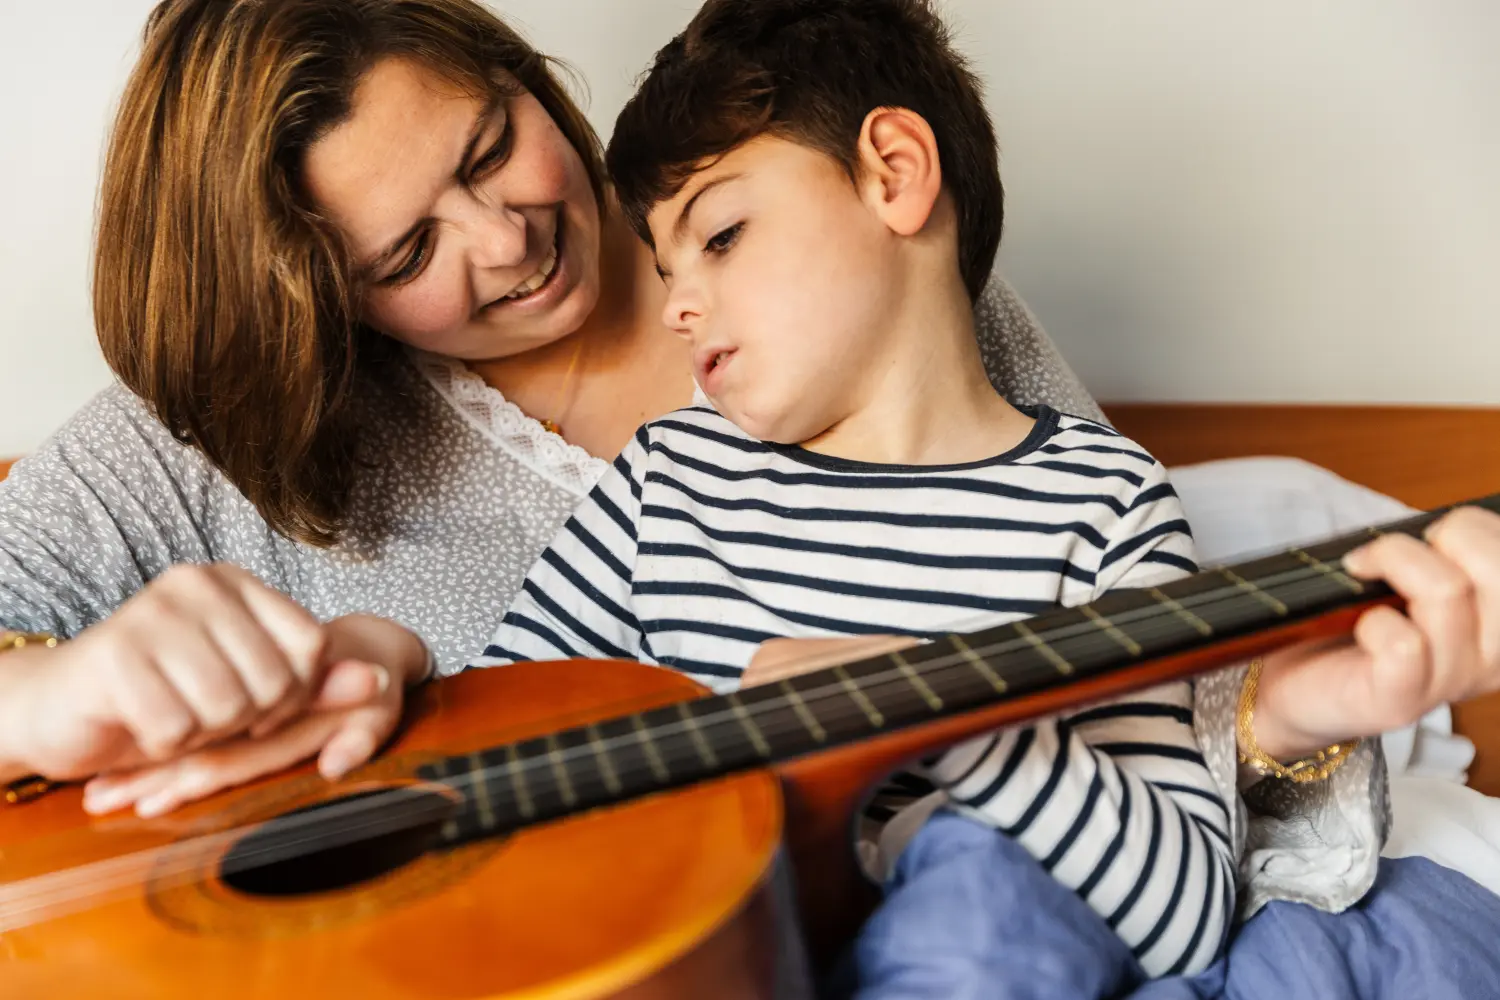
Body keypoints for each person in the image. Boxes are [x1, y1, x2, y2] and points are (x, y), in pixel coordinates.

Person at [0, 0, 1494, 985]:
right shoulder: (642, 481)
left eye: (493, 146)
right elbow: (505, 727)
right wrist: (381, 667)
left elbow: (1170, 827)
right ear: (316, 305)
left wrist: (957, 711)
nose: (508, 239)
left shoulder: (1018, 423)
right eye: (405, 256)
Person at [473, 0, 1229, 977]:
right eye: (665, 269)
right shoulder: (667, 480)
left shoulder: (1104, 502)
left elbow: (1190, 916)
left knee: (980, 883)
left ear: (894, 173)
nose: (676, 306)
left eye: (721, 235)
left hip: (974, 962)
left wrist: (942, 710)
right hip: (716, 961)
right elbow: (478, 774)